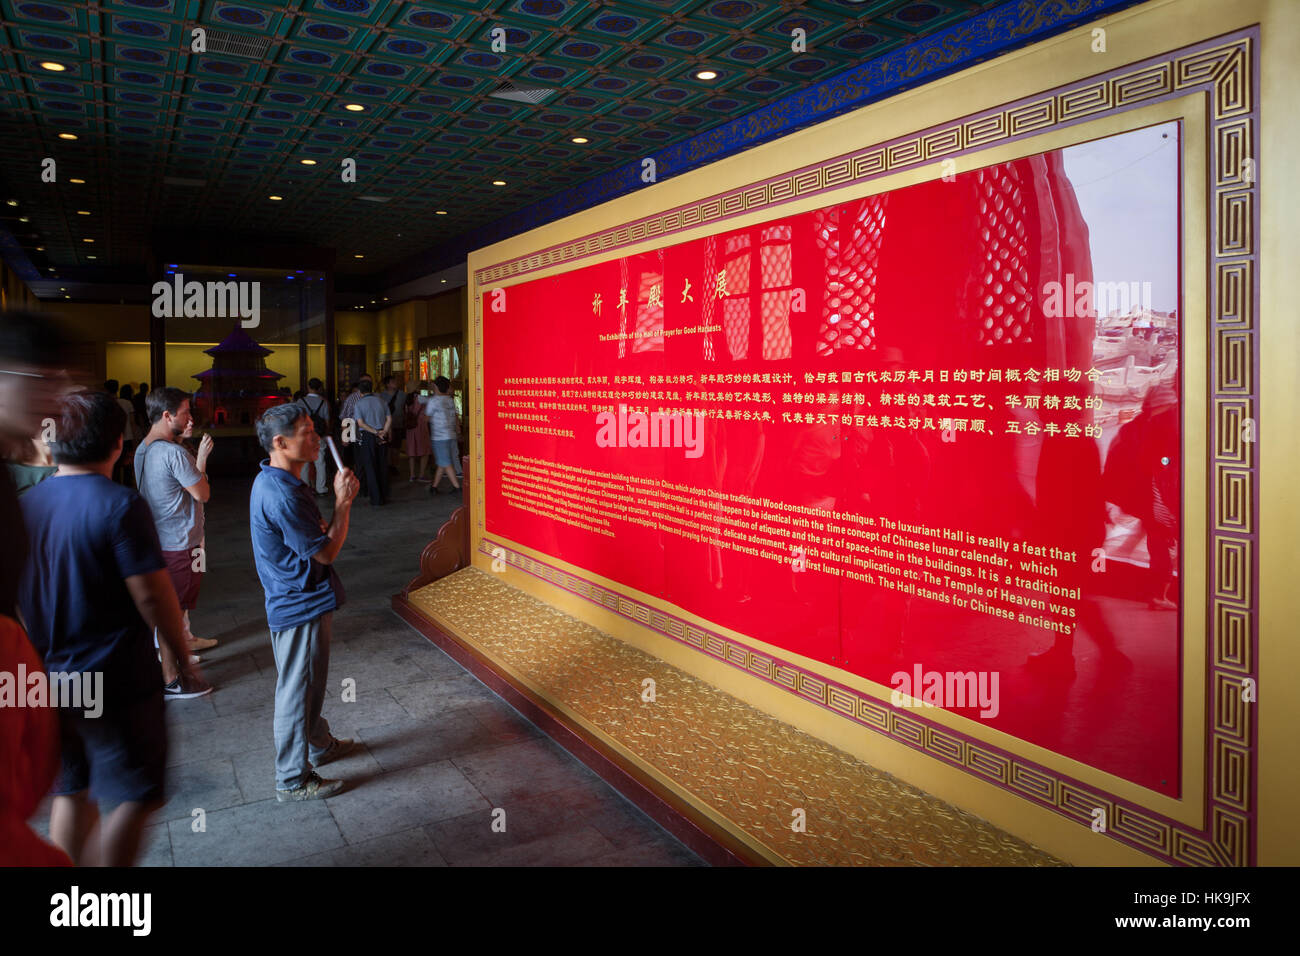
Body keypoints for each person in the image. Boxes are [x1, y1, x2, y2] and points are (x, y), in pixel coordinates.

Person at [19, 390, 209, 866]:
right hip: (115, 675)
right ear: (118, 445)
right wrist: (180, 658)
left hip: (51, 674)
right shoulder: (119, 505)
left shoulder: (26, 506)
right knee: (136, 793)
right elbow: (152, 595)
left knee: (73, 786)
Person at [249, 403, 359, 801]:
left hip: (300, 595)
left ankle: (319, 744)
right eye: (306, 432)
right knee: (296, 689)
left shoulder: (282, 481)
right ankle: (292, 778)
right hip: (299, 602)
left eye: (315, 431)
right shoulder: (282, 494)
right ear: (280, 442)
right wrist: (343, 503)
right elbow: (326, 553)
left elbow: (312, 539)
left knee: (308, 684)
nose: (316, 439)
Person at [135, 387, 219, 662]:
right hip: (181, 538)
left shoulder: (142, 449)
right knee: (178, 597)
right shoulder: (174, 454)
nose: (190, 418)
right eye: (186, 413)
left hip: (160, 535)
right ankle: (173, 660)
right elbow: (202, 493)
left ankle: (185, 639)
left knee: (178, 596)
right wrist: (203, 460)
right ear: (168, 415)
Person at [353, 378, 391, 506]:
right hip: (382, 435)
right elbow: (389, 418)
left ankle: (376, 499)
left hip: (368, 436)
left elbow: (361, 423)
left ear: (360, 392)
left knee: (370, 467)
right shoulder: (381, 401)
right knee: (382, 465)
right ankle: (385, 495)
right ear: (371, 389)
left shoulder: (358, 404)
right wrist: (383, 431)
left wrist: (375, 432)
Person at [427, 375, 461, 494]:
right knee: (443, 461)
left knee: (445, 462)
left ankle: (457, 487)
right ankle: (434, 487)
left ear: (435, 387)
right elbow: (456, 415)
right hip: (450, 434)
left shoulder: (433, 401)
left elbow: (427, 417)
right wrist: (458, 429)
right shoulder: (450, 400)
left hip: (439, 437)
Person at [299, 378, 331, 496]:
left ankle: (305, 487)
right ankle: (321, 488)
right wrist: (326, 433)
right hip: (318, 435)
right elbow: (327, 421)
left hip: (304, 435)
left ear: (308, 387)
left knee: (304, 463)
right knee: (320, 462)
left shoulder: (300, 402)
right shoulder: (324, 402)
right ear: (319, 388)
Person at [404, 390, 430, 482]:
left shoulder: (407, 398)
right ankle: (421, 475)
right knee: (424, 451)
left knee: (412, 452)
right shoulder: (420, 398)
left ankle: (412, 475)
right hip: (420, 426)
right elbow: (431, 401)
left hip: (410, 427)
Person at [382, 375, 406, 474]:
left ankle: (394, 466)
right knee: (387, 447)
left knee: (396, 447)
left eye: (395, 381)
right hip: (386, 426)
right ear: (387, 384)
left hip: (398, 424)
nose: (395, 383)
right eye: (392, 382)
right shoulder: (382, 396)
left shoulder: (402, 394)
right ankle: (387, 465)